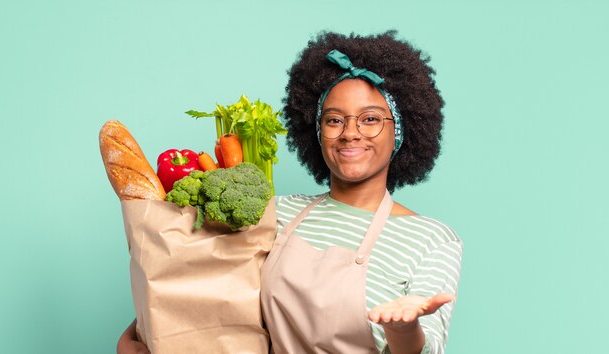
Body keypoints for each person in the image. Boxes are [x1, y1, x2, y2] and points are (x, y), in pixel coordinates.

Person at [118, 30, 462, 354]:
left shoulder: (431, 238)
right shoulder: (277, 212)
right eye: (334, 120)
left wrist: (404, 327)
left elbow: (425, 347)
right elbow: (197, 284)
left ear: (400, 132)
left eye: (370, 119)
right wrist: (135, 336)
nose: (350, 133)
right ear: (316, 131)